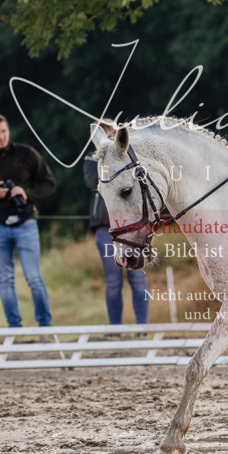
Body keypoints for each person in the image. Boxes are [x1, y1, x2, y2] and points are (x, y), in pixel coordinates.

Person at [0, 113, 55, 328]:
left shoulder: (26, 154)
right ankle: (14, 329)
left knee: (34, 277)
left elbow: (48, 183)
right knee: (5, 279)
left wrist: (25, 192)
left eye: (4, 131)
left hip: (26, 223)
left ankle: (46, 328)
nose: (1, 136)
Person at [84, 124, 150, 326]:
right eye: (105, 136)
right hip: (106, 227)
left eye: (113, 135)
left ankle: (142, 329)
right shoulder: (92, 158)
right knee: (113, 282)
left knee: (138, 279)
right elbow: (93, 181)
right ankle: (115, 329)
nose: (110, 140)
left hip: (133, 224)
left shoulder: (131, 156)